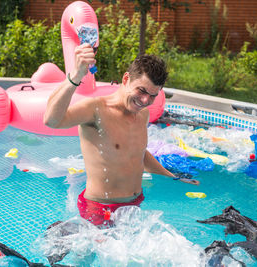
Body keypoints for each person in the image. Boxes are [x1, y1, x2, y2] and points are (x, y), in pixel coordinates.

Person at [44, 43, 199, 227]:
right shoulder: (96, 109)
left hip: (134, 204)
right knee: (87, 256)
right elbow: (51, 121)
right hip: (100, 208)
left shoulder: (143, 114)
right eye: (141, 91)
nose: (145, 101)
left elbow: (138, 153)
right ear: (126, 79)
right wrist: (75, 77)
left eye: (152, 96)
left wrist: (171, 175)